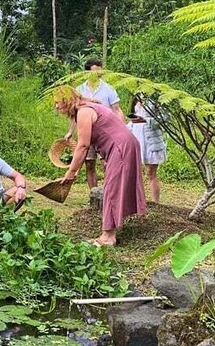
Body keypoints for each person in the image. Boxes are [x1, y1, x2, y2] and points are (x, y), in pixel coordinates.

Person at [55, 86, 146, 246]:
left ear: (67, 101)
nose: (56, 106)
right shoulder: (86, 108)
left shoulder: (84, 112)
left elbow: (83, 145)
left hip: (121, 147)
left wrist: (71, 171)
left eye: (58, 102)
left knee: (111, 188)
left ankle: (108, 237)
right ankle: (114, 225)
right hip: (123, 145)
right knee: (115, 185)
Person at [65, 59, 125, 190]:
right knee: (89, 163)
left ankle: (109, 192)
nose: (98, 74)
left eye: (100, 71)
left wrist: (122, 128)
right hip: (87, 133)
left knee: (107, 163)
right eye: (94, 71)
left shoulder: (109, 89)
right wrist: (70, 131)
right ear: (87, 72)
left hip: (105, 133)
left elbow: (117, 110)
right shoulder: (79, 90)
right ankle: (94, 194)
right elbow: (75, 114)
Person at [128, 95, 167, 203]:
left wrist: (145, 120)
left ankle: (156, 202)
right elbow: (133, 118)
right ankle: (137, 200)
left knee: (151, 172)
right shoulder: (136, 97)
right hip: (137, 138)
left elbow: (164, 118)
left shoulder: (155, 98)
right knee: (135, 172)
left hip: (150, 141)